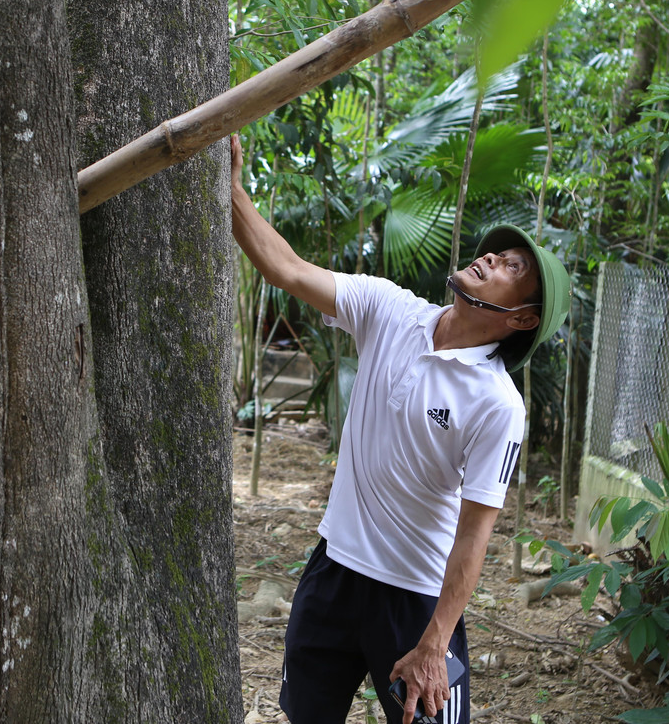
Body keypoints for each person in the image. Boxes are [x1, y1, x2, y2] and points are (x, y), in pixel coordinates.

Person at [229, 135, 571, 724]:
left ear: (522, 318)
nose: (489, 258)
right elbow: (285, 268)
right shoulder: (388, 310)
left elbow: (474, 533)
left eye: (511, 267)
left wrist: (436, 643)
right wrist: (229, 188)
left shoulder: (496, 404)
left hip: (416, 600)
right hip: (334, 569)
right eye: (494, 253)